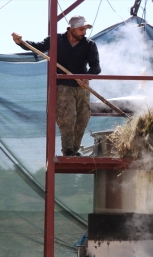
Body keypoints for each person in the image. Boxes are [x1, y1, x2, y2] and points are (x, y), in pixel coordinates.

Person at [12, 15, 101, 156]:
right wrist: (21, 42)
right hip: (63, 85)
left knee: (83, 118)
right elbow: (37, 47)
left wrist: (86, 77)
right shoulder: (56, 40)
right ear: (71, 29)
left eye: (85, 29)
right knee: (67, 117)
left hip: (81, 87)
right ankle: (68, 150)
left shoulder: (89, 45)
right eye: (81, 29)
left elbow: (96, 67)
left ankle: (75, 149)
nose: (84, 32)